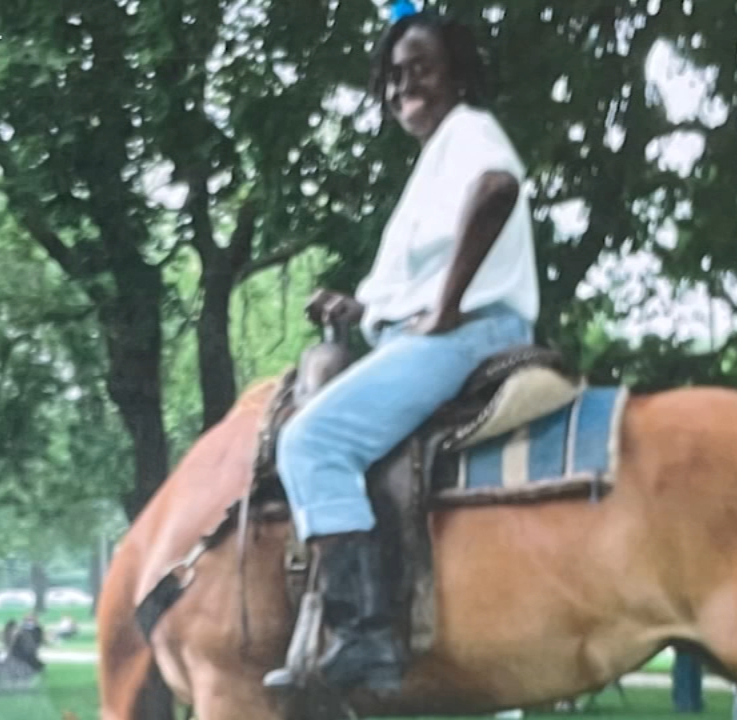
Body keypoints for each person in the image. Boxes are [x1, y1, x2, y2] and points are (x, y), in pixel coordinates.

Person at [263, 7, 538, 694]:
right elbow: (417, 279)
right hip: (447, 327)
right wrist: (363, 310)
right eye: (391, 76)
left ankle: (365, 636)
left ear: (458, 76)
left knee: (309, 443)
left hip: (474, 331)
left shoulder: (470, 132)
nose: (401, 85)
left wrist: (443, 309)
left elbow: (498, 190)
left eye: (419, 69)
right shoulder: (435, 161)